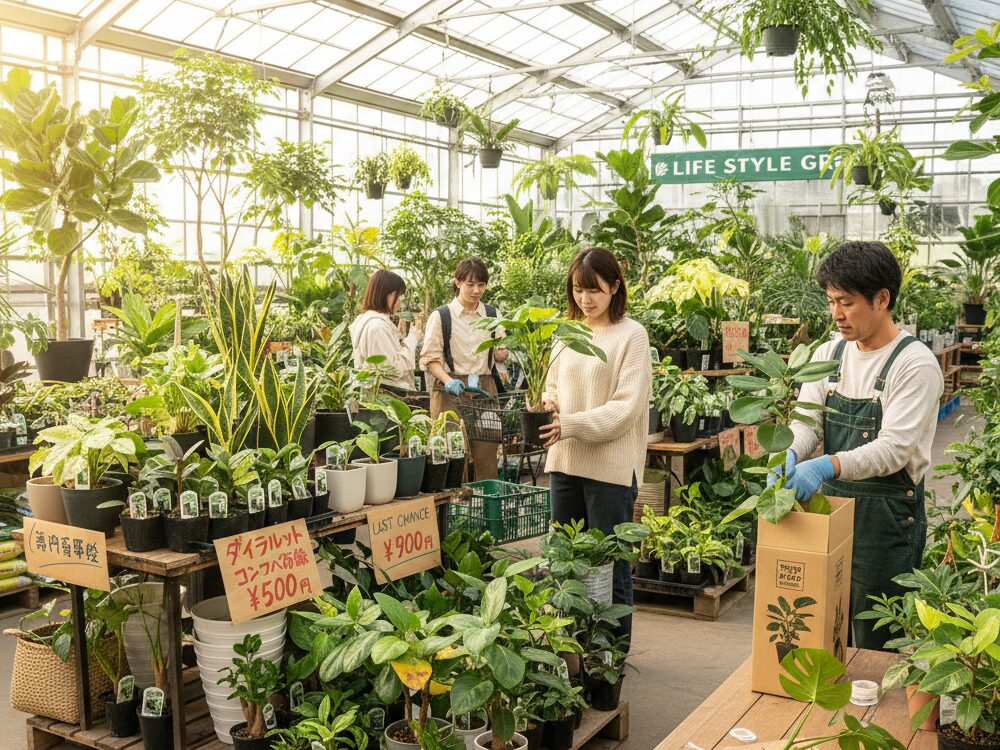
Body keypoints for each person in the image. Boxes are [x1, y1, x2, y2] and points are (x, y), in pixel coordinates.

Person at [781, 241, 944, 651]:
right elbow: (807, 421)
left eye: (847, 302)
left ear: (882, 299)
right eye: (831, 301)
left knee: (877, 641)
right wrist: (792, 452)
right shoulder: (828, 354)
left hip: (886, 520)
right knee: (820, 625)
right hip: (832, 511)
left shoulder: (914, 363)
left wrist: (823, 467)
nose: (836, 314)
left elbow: (894, 449)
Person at [540, 247, 653, 639]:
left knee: (609, 566)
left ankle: (611, 656)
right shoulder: (568, 333)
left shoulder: (631, 335)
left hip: (610, 469)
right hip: (565, 462)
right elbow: (552, 384)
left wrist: (568, 423)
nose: (585, 300)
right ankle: (570, 652)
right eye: (577, 290)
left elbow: (626, 408)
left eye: (594, 291)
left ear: (615, 287)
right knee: (565, 563)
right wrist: (549, 403)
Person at [420, 257, 508, 480]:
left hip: (485, 389)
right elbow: (430, 359)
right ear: (458, 283)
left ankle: (489, 507)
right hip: (450, 390)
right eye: (470, 284)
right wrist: (448, 380)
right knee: (452, 452)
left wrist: (502, 353)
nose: (476, 290)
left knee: (487, 453)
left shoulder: (491, 314)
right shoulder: (442, 316)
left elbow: (500, 352)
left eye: (481, 285)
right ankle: (456, 509)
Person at [349, 270, 422, 391]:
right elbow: (391, 369)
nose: (399, 303)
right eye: (397, 296)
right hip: (387, 397)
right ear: (385, 294)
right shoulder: (378, 327)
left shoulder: (367, 320)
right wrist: (413, 339)